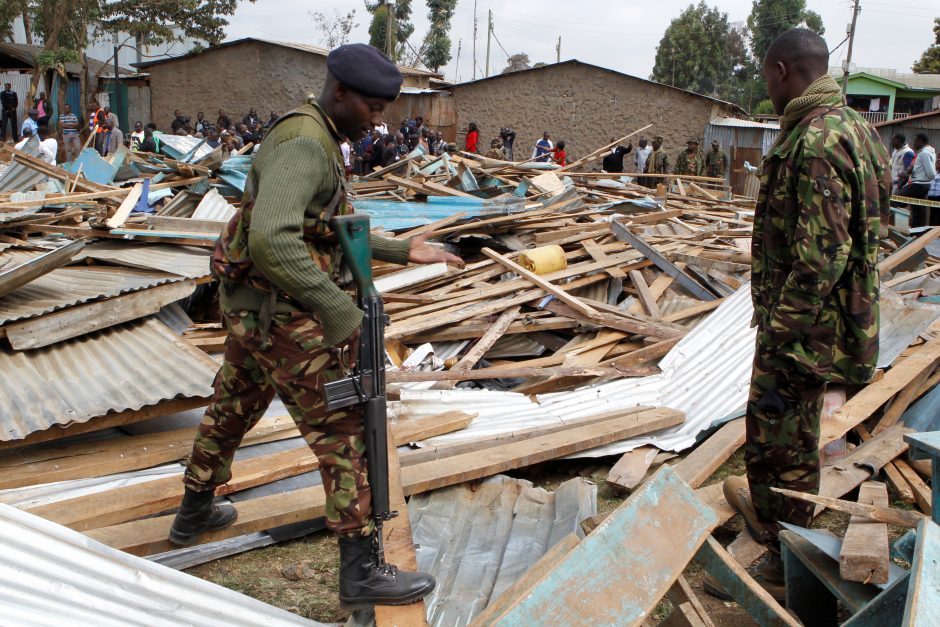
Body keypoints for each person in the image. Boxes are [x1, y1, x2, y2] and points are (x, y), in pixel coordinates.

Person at [168, 43, 458, 610]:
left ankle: (194, 510)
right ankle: (360, 571)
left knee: (234, 404)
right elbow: (273, 239)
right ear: (341, 92)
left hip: (257, 307)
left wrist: (399, 250)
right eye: (374, 107)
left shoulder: (320, 134)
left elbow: (316, 225)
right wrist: (336, 307)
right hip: (285, 312)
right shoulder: (306, 143)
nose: (381, 119)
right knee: (344, 427)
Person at [711, 28, 888, 602]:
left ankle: (780, 558)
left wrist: (782, 329)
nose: (767, 87)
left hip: (805, 330)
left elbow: (822, 254)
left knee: (776, 442)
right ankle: (792, 543)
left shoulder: (813, 140)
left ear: (783, 69)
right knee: (797, 434)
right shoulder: (858, 128)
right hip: (840, 323)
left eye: (767, 77)